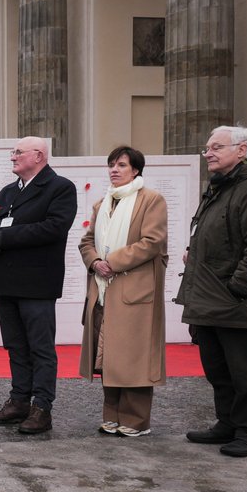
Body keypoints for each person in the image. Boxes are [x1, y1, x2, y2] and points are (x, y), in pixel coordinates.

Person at [176, 125, 247, 458]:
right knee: (217, 368)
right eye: (207, 147)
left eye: (216, 147)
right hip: (209, 296)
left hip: (237, 301)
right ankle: (228, 423)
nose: (208, 152)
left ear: (242, 150)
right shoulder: (221, 186)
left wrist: (238, 287)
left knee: (244, 371)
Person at [0, 136, 77, 434]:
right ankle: (19, 400)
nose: (13, 157)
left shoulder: (60, 187)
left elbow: (54, 227)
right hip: (6, 280)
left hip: (36, 282)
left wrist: (4, 238)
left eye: (18, 152)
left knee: (40, 348)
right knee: (15, 346)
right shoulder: (8, 191)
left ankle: (42, 407)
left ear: (39, 155)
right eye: (13, 152)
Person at [77, 147, 168, 438]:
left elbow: (151, 242)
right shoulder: (102, 203)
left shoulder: (150, 200)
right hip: (105, 289)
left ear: (136, 170)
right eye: (111, 165)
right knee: (109, 356)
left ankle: (137, 420)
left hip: (134, 290)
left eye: (121, 165)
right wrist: (95, 262)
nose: (114, 169)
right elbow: (86, 241)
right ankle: (112, 416)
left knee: (134, 357)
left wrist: (112, 263)